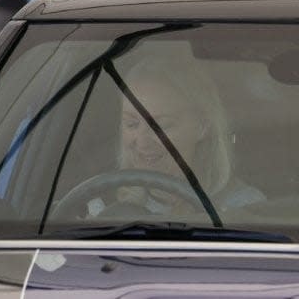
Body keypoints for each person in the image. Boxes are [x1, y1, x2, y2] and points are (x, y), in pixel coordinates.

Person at [112, 53, 264, 215]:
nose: (142, 142)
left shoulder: (242, 209)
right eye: (132, 124)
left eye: (160, 126)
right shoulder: (99, 206)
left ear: (202, 127)